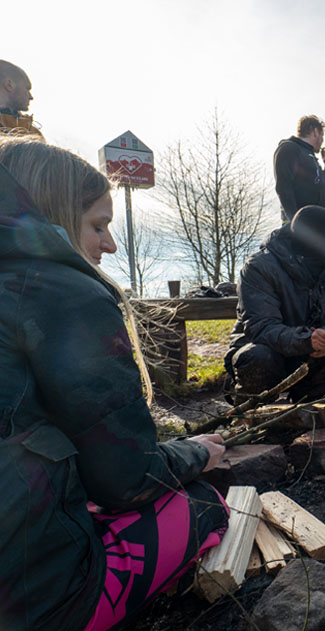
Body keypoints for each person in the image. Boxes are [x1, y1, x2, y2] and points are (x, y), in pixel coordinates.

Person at [0, 137, 229, 631]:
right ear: (54, 216)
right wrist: (195, 454)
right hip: (36, 607)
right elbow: (127, 481)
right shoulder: (61, 291)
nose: (110, 244)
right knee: (207, 506)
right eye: (98, 225)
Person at [225, 205, 325, 404]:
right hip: (270, 351)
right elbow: (261, 328)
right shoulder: (259, 267)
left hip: (310, 352)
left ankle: (309, 401)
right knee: (258, 356)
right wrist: (306, 339)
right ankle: (251, 406)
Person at [274, 114, 325, 222]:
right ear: (316, 132)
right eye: (322, 136)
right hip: (302, 229)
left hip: (318, 226)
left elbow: (318, 188)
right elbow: (283, 188)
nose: (322, 141)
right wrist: (296, 224)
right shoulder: (289, 148)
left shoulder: (310, 157)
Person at [0, 60, 41, 137]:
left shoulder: (30, 131)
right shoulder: (31, 135)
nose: (31, 97)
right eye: (27, 89)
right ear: (9, 85)